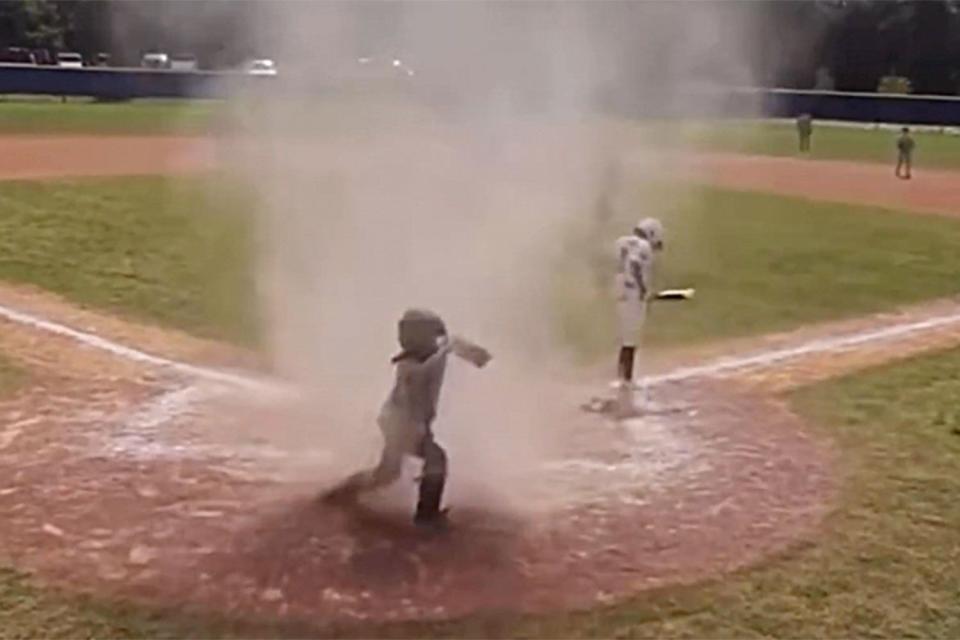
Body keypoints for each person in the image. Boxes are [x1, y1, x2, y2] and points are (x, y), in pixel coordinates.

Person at [321, 308, 491, 528]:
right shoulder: (410, 365)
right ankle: (426, 517)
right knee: (436, 460)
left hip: (395, 421)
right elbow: (425, 373)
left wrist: (461, 350)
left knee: (388, 472)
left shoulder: (424, 357)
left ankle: (342, 492)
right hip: (400, 423)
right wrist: (448, 350)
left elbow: (452, 354)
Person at [613, 217, 663, 390]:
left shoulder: (621, 242)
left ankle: (622, 376)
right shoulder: (643, 247)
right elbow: (634, 264)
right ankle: (626, 380)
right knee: (631, 339)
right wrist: (642, 289)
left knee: (625, 338)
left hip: (620, 293)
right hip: (633, 294)